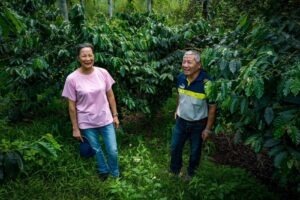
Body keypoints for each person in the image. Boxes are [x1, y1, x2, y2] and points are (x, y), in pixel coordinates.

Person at [62, 43, 120, 180]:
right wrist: (75, 128)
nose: (87, 58)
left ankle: (115, 174)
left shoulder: (103, 73)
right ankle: (103, 171)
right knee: (96, 149)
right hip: (86, 121)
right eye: (84, 56)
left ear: (94, 56)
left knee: (112, 150)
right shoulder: (72, 79)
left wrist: (115, 115)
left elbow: (110, 95)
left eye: (90, 55)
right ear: (78, 58)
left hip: (105, 119)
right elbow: (71, 106)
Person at [170, 50, 217, 180]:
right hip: (181, 121)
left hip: (198, 124)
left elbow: (212, 107)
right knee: (175, 147)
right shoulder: (180, 78)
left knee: (195, 151)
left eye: (189, 62)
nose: (185, 65)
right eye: (184, 62)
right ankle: (175, 170)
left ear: (199, 65)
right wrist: (177, 110)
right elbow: (180, 96)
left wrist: (207, 128)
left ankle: (191, 174)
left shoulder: (207, 83)